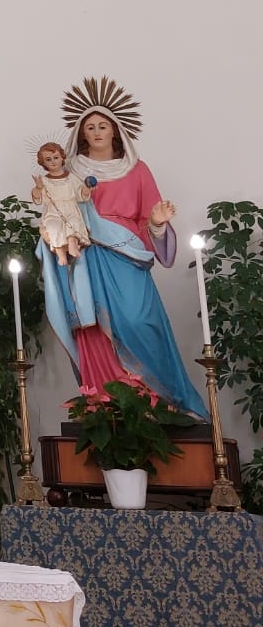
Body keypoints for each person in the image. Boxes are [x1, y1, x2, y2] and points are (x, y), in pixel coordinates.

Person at [37, 79, 206, 418]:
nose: (97, 131)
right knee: (94, 328)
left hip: (127, 253)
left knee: (139, 320)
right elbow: (55, 208)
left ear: (115, 130)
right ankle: (109, 405)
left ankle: (163, 401)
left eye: (103, 125)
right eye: (90, 127)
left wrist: (156, 222)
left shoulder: (136, 170)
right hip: (85, 256)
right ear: (81, 134)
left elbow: (148, 218)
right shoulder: (70, 171)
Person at [31, 141, 91, 266]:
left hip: (70, 209)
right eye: (48, 159)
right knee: (53, 227)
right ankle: (61, 254)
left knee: (74, 223)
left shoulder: (71, 177)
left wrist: (87, 189)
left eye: (56, 157)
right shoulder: (44, 181)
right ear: (43, 163)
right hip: (53, 212)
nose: (53, 161)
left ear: (62, 158)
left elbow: (81, 194)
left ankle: (73, 245)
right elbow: (37, 199)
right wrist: (38, 188)